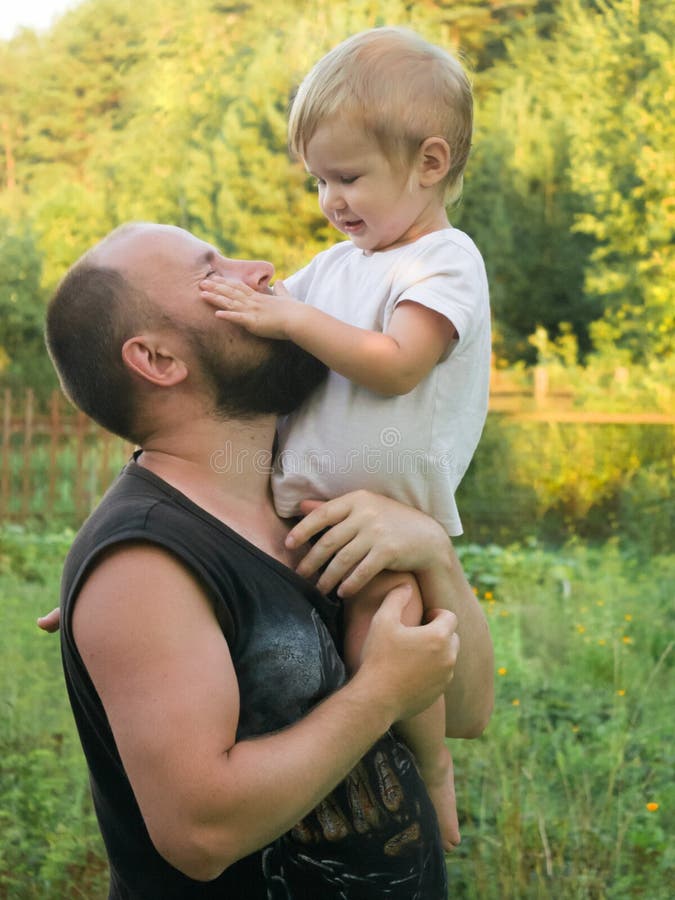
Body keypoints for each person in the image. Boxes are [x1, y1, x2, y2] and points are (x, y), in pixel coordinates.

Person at [43, 222, 494, 899]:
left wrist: (430, 551)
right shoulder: (146, 563)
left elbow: (466, 709)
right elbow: (200, 835)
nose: (259, 267)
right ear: (159, 361)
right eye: (212, 272)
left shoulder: (313, 508)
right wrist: (379, 695)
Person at [198, 26, 491, 850]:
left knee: (389, 625)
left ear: (429, 164)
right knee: (193, 568)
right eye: (318, 179)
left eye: (349, 177)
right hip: (289, 508)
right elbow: (267, 318)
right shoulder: (335, 265)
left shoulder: (441, 261)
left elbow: (397, 364)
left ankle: (430, 770)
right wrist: (239, 292)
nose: (331, 199)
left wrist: (290, 315)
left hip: (384, 522)